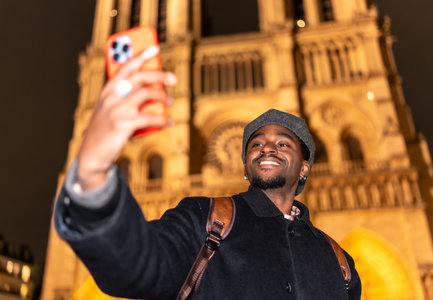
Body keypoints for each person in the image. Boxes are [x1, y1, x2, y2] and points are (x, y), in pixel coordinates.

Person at [54, 45, 361, 299]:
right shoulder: (205, 219)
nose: (267, 148)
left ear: (305, 167)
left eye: (283, 144)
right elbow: (134, 266)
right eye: (256, 144)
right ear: (245, 164)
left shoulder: (339, 262)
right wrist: (93, 171)